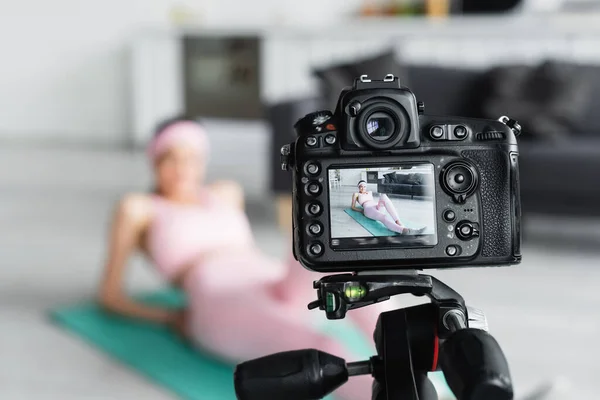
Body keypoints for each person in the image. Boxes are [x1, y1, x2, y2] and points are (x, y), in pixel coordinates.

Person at [98, 118, 380, 400]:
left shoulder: (225, 192)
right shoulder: (138, 208)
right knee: (324, 349)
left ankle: (402, 346)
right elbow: (111, 297)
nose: (182, 168)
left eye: (191, 158)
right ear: (154, 160)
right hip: (216, 299)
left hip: (268, 279)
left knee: (342, 264)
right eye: (170, 158)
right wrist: (172, 317)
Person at [351, 180, 426, 235]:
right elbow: (353, 207)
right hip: (367, 209)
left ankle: (397, 221)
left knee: (383, 196)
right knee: (383, 217)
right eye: (361, 186)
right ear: (358, 187)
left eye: (364, 186)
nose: (363, 188)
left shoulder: (369, 192)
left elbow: (375, 201)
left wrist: (379, 205)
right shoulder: (356, 194)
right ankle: (404, 230)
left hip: (375, 206)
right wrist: (361, 211)